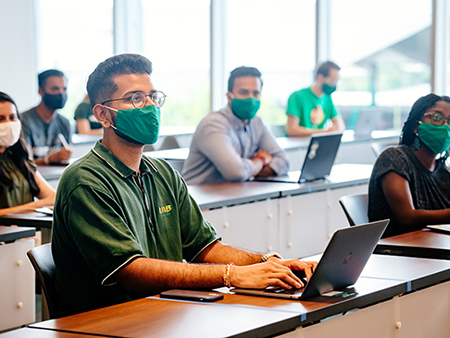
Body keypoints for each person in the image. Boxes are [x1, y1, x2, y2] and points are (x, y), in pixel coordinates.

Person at [51, 54, 316, 316]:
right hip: (107, 324)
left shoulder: (163, 172)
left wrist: (268, 263)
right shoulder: (85, 180)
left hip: (165, 314)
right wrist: (233, 275)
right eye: (135, 98)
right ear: (103, 115)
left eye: (153, 97)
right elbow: (131, 272)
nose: (149, 107)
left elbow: (204, 247)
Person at [182, 66, 289, 185]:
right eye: (243, 92)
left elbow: (283, 161)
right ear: (229, 96)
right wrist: (261, 160)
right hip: (197, 199)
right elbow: (236, 172)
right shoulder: (213, 124)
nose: (251, 98)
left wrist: (250, 169)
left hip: (233, 196)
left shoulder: (257, 122)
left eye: (256, 93)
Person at [368, 94, 450, 238]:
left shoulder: (443, 171)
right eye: (437, 118)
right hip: (398, 253)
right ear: (415, 126)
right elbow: (407, 218)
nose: (445, 126)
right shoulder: (394, 158)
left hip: (432, 247)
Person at [0, 92, 55, 216]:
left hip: (30, 231)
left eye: (12, 117)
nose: (8, 124)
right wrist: (37, 205)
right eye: (0, 119)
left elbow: (52, 197)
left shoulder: (18, 158)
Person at [21, 69, 73, 165]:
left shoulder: (64, 122)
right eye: (55, 88)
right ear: (40, 91)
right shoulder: (24, 121)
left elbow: (66, 157)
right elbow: (26, 163)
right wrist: (48, 159)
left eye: (64, 89)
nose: (61, 93)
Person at [286, 61, 345, 137]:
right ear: (320, 78)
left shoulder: (327, 99)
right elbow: (291, 130)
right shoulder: (297, 96)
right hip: (299, 146)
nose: (334, 85)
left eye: (337, 82)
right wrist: (324, 132)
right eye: (332, 81)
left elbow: (340, 126)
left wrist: (332, 130)